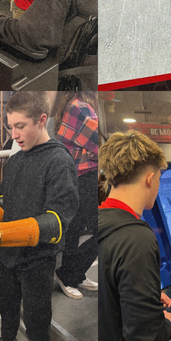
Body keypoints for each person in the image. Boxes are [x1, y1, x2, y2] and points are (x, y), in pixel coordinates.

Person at [0, 91, 78, 341]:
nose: (14, 135)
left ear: (42, 120)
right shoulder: (17, 158)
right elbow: (6, 199)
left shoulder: (59, 161)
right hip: (7, 256)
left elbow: (56, 222)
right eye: (11, 127)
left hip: (37, 260)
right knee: (6, 308)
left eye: (20, 126)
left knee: (36, 320)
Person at [96, 131, 171, 341]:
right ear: (150, 179)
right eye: (158, 177)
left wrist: (145, 296)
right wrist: (166, 323)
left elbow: (109, 289)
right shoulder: (137, 239)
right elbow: (146, 336)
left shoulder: (100, 220)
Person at [52, 91, 101, 300]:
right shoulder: (81, 107)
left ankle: (74, 274)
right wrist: (93, 152)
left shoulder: (69, 106)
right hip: (85, 176)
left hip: (74, 176)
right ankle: (68, 273)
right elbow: (102, 142)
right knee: (101, 231)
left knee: (75, 228)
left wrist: (91, 151)